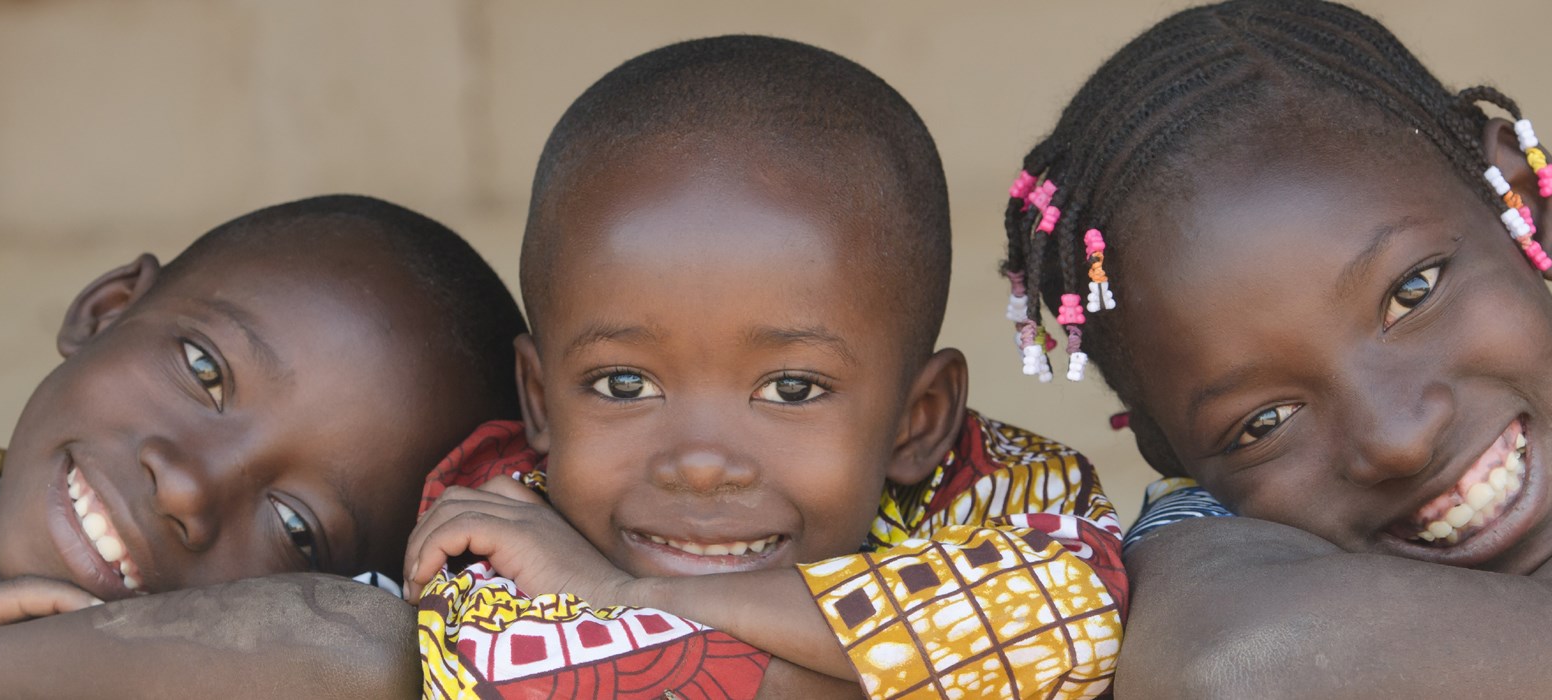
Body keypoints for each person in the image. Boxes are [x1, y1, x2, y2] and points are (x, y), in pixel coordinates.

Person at [992, 0, 1552, 696]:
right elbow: (1229, 669)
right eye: (1265, 422)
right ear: (1171, 453)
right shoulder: (1210, 559)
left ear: (1524, 201)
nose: (1398, 441)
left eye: (1412, 292)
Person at [403, 35, 1128, 700]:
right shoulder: (500, 524)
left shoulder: (1005, 487)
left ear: (920, 420)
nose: (701, 465)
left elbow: (1082, 616)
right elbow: (518, 676)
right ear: (539, 400)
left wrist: (618, 593)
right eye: (624, 384)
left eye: (791, 388)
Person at [0, 194, 527, 697]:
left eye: (294, 526)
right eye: (203, 371)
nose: (188, 488)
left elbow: (371, 653)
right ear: (106, 310)